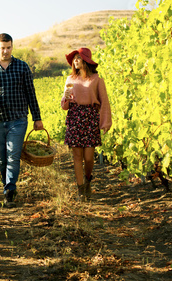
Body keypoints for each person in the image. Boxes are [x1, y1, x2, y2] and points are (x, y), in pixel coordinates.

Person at [0, 33, 44, 207]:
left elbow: (31, 94)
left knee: (13, 155)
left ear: (12, 47)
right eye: (3, 48)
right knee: (1, 159)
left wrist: (37, 118)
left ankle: (9, 192)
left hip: (18, 119)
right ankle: (7, 185)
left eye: (9, 47)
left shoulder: (22, 67)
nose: (6, 51)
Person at [61, 47, 112, 201]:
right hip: (75, 117)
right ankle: (80, 190)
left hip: (90, 118)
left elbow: (104, 102)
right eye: (74, 59)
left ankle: (88, 179)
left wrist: (105, 122)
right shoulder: (70, 79)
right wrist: (66, 98)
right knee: (77, 156)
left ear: (86, 61)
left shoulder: (96, 80)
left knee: (89, 157)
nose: (75, 61)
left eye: (78, 58)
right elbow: (64, 105)